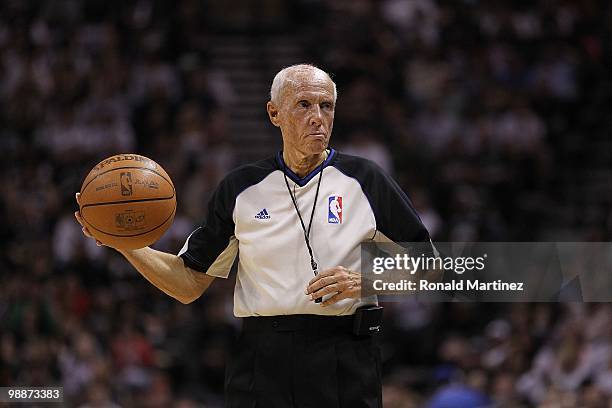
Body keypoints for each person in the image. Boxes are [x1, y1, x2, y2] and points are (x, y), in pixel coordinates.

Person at [75, 64, 432, 408]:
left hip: (345, 355)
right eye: (304, 105)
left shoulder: (367, 179)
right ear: (274, 113)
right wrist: (126, 245)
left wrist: (366, 281)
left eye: (326, 106)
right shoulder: (240, 188)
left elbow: (434, 269)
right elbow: (187, 283)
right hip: (262, 360)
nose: (317, 117)